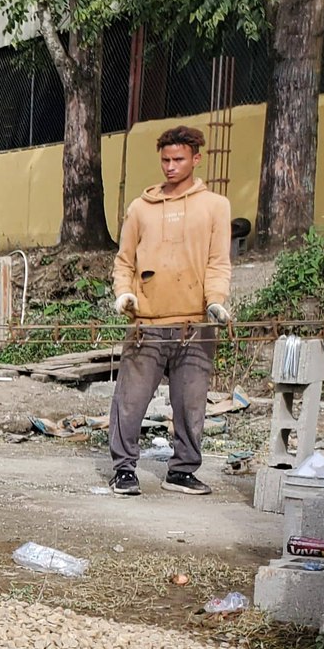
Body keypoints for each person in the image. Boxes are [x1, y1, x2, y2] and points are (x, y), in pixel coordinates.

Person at [107, 124, 234, 497]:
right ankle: (124, 469)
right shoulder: (140, 208)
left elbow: (218, 262)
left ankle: (181, 470)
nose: (171, 166)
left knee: (191, 401)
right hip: (147, 321)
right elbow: (124, 261)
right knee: (130, 400)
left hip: (195, 323)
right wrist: (124, 294)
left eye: (179, 159)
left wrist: (216, 300)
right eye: (165, 160)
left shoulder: (215, 206)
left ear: (196, 158)